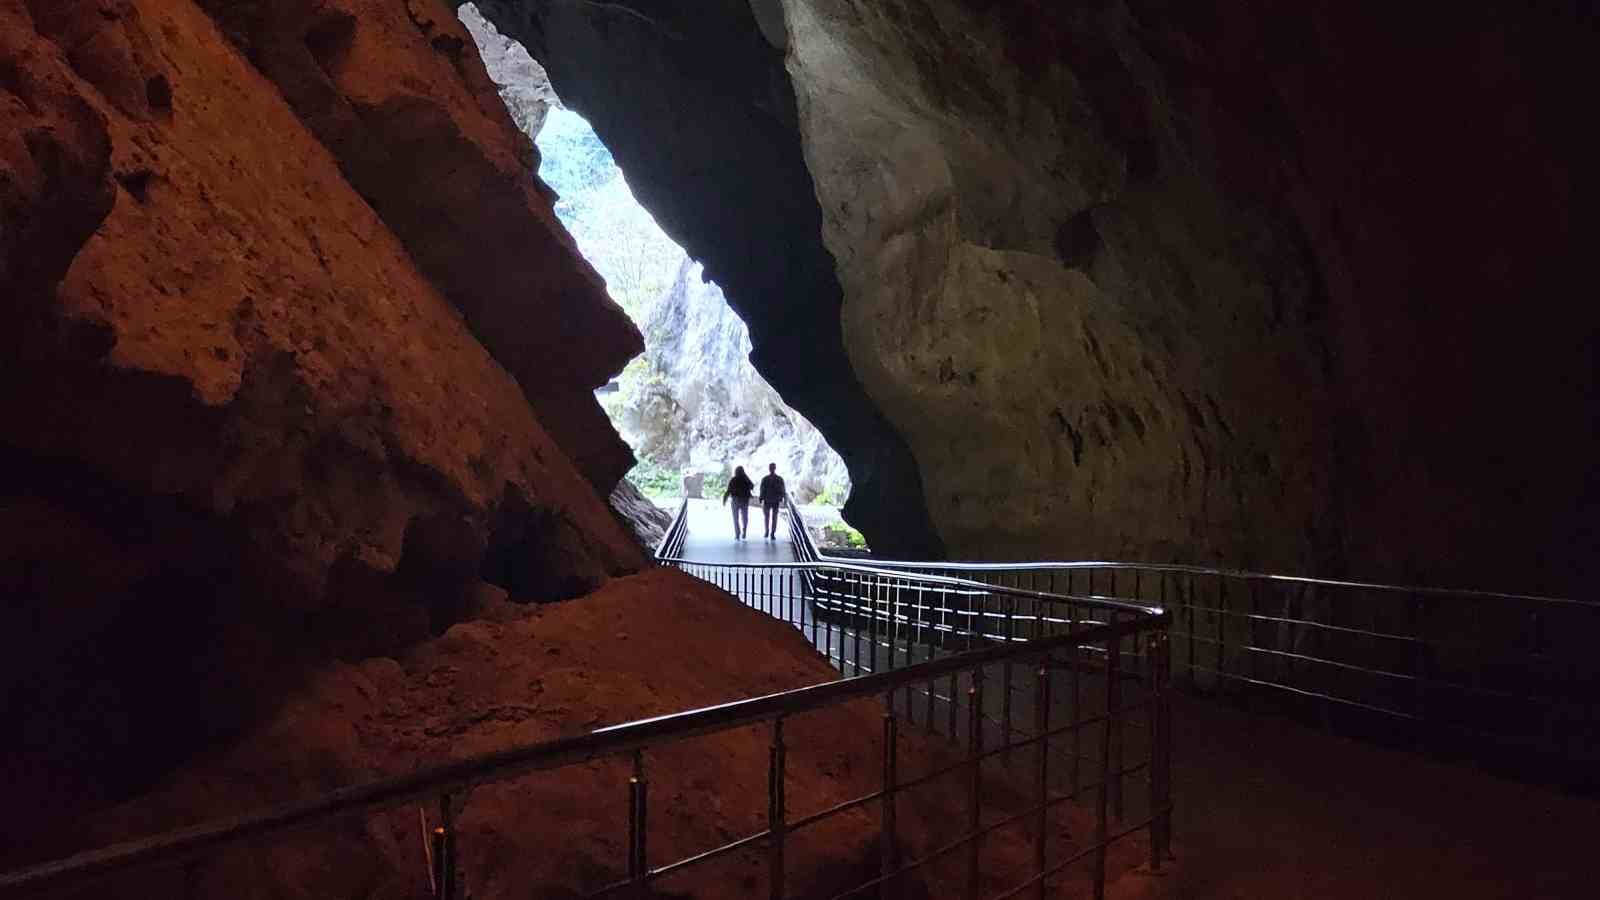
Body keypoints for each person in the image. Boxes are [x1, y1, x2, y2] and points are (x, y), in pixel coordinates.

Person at [722, 466, 754, 540]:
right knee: (745, 517)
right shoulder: (745, 479)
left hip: (735, 500)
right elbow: (752, 486)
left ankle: (737, 533)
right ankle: (744, 530)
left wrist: (725, 499)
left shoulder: (733, 479)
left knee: (735, 518)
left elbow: (728, 490)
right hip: (744, 500)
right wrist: (746, 476)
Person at [758, 463, 787, 540]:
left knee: (767, 517)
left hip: (767, 500)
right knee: (774, 517)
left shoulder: (765, 479)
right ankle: (772, 533)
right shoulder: (779, 479)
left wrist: (761, 498)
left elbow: (762, 489)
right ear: (775, 468)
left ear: (769, 468)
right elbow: (783, 490)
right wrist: (784, 499)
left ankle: (767, 531)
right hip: (776, 500)